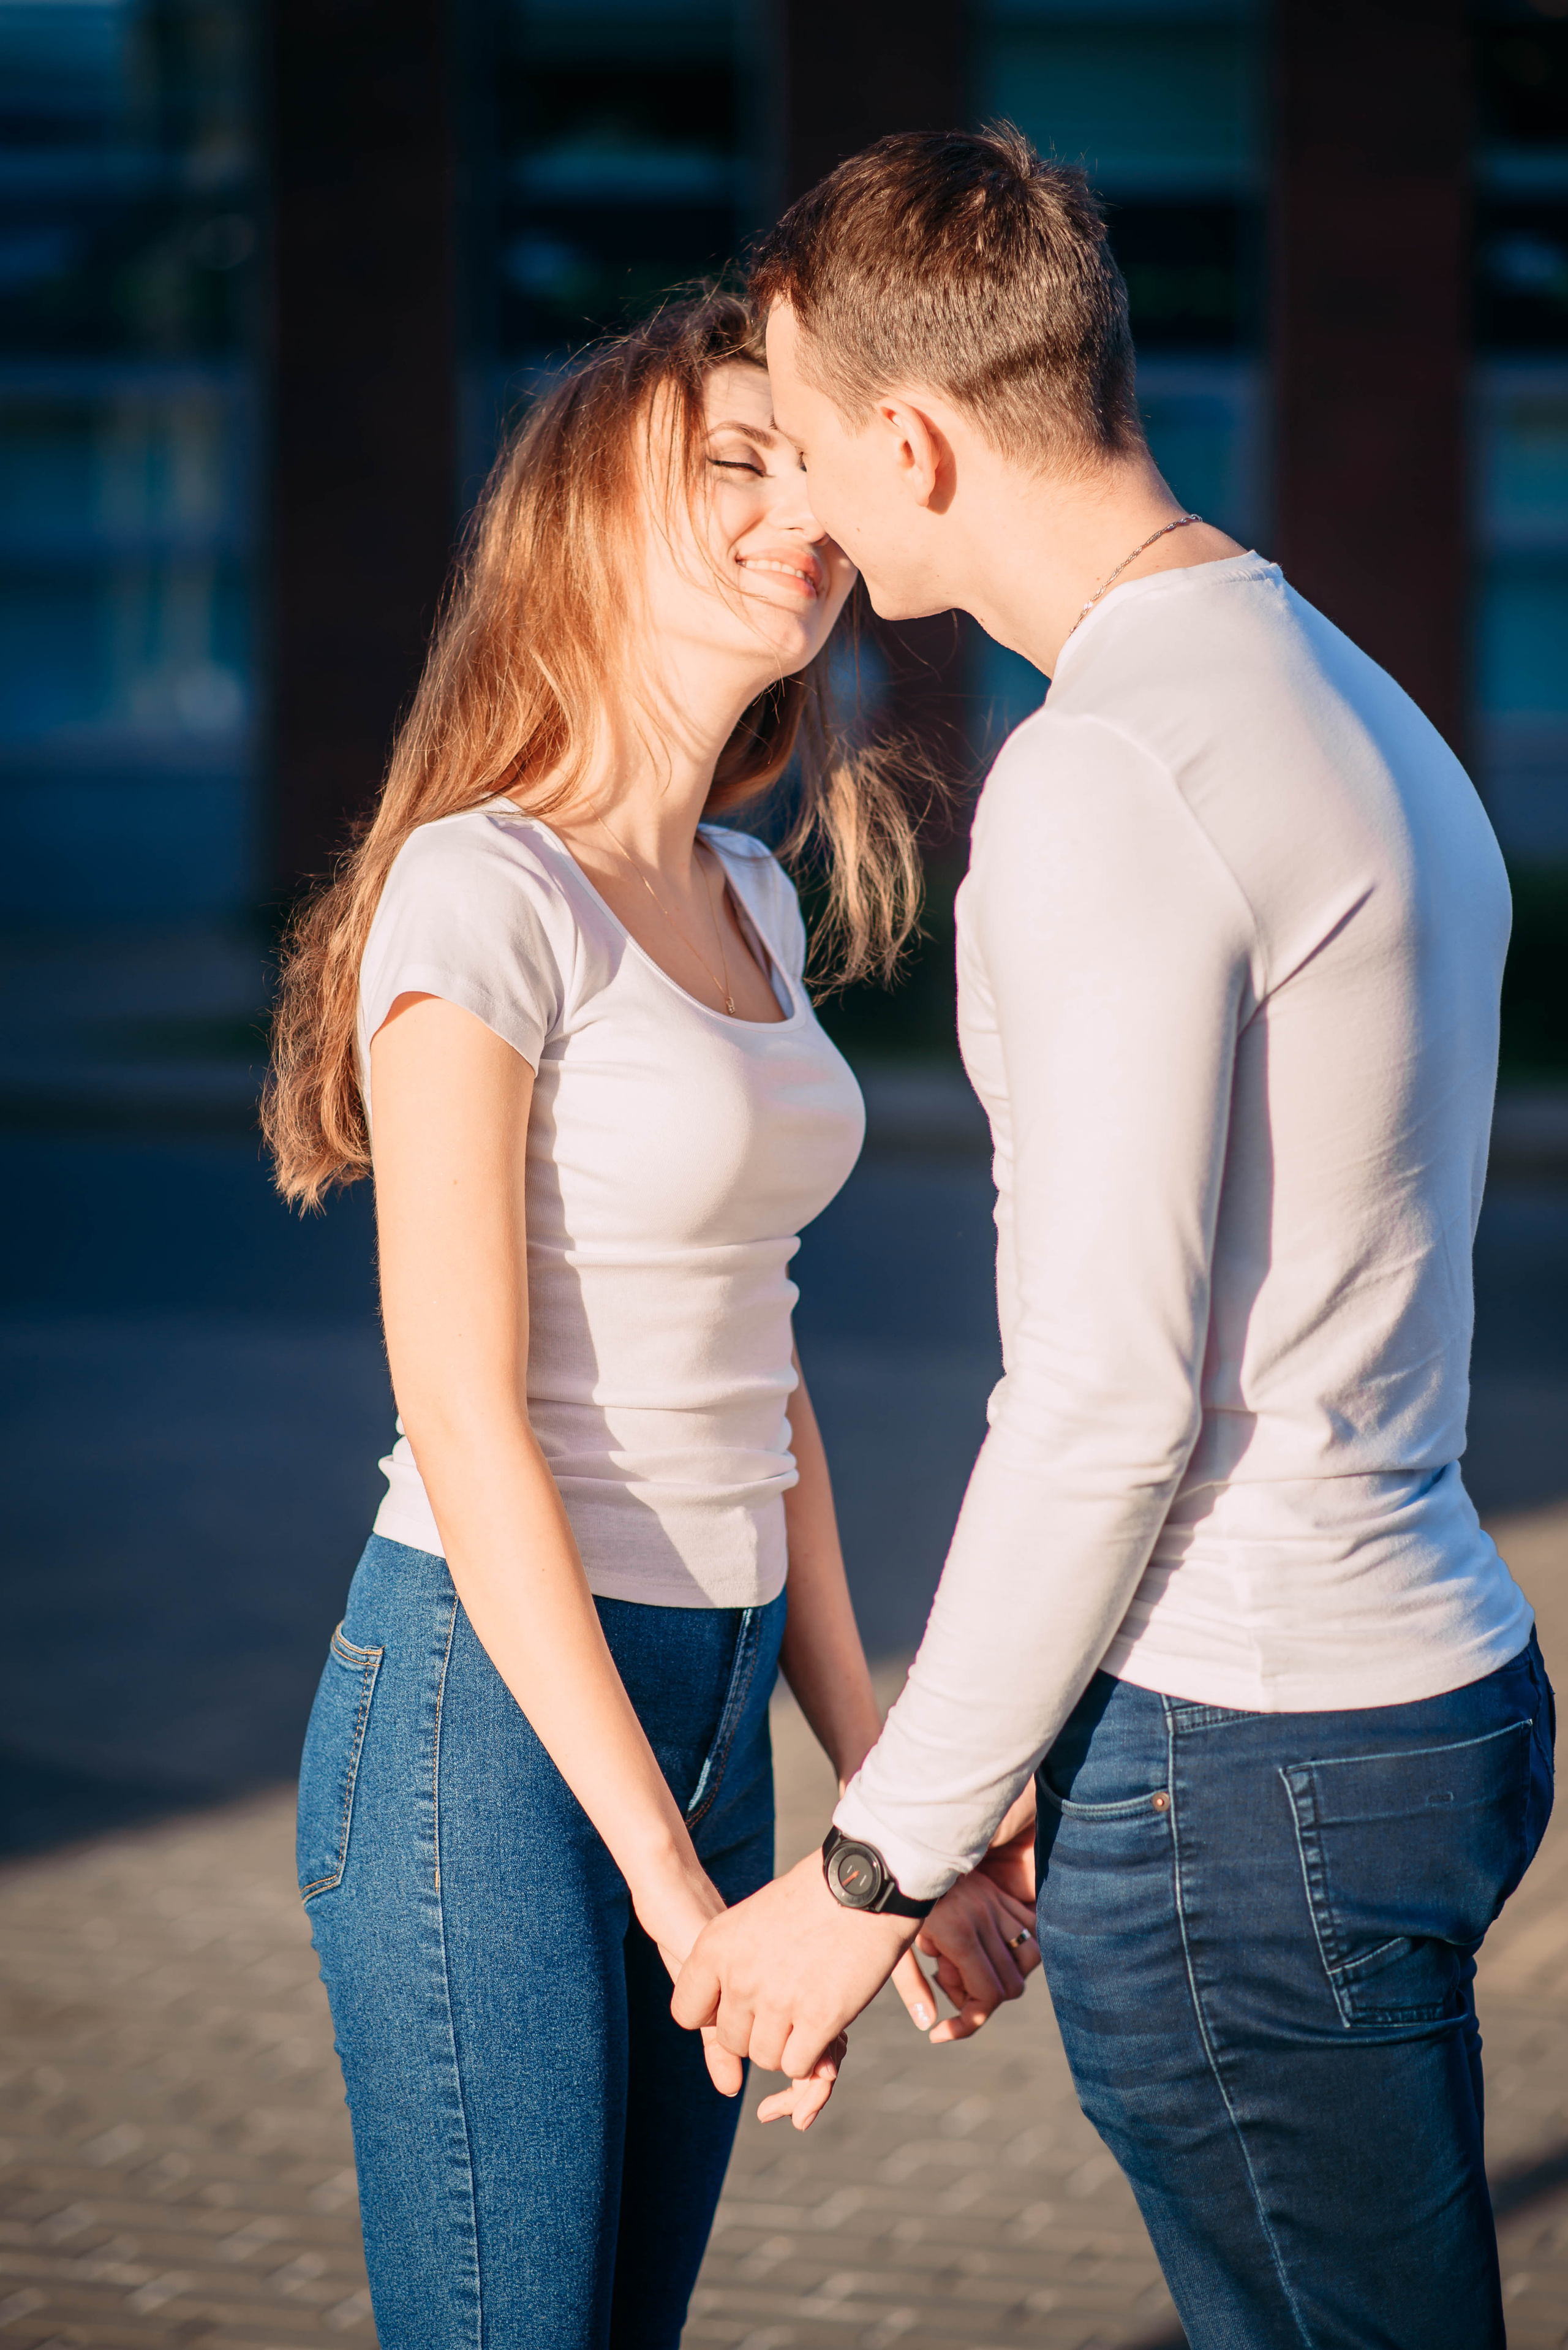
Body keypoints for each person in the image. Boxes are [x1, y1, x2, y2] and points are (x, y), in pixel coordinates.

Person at [673, 131, 1553, 2349]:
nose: (807, 519)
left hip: (1257, 1749)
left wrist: (873, 1862)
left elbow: (1104, 1402)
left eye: (809, 452)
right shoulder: (1352, 699)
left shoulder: (1108, 774)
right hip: (1414, 1689)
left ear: (918, 439)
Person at [262, 290, 1037, 2350]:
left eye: (818, 466)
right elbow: (471, 1412)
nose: (808, 508)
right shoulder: (477, 892)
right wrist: (678, 1891)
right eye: (739, 462)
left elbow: (756, 1374)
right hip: (485, 1724)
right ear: (591, 518)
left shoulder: (752, 895)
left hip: (705, 1716)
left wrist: (898, 1808)